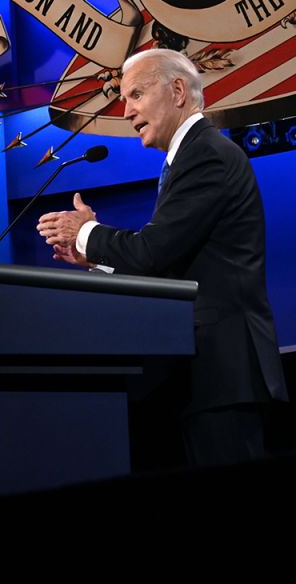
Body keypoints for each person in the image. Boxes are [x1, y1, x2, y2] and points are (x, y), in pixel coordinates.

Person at [37, 48, 287, 467]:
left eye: (135, 94)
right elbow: (168, 262)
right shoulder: (188, 158)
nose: (127, 110)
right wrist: (92, 260)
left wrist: (86, 233)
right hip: (203, 379)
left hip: (224, 374)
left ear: (176, 91)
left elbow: (151, 251)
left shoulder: (205, 154)